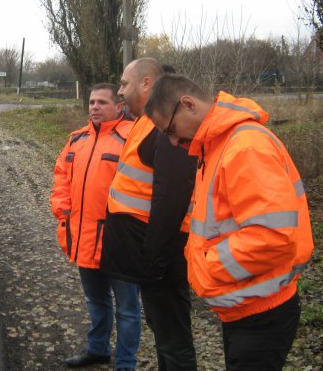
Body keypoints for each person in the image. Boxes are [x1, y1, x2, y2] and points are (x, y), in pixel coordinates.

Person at [144, 74, 314, 371]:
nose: (172, 141)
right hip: (245, 308)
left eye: (170, 130)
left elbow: (273, 235)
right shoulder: (215, 147)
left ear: (188, 104)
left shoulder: (244, 147)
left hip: (261, 313)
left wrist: (208, 267)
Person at [100, 58, 198, 370]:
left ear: (146, 84)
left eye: (124, 84)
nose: (119, 91)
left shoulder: (165, 125)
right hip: (153, 254)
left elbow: (173, 197)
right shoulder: (146, 122)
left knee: (173, 338)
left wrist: (154, 260)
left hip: (164, 256)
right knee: (164, 333)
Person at [51, 83, 141, 370]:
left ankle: (126, 363)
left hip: (120, 242)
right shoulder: (77, 139)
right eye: (91, 102)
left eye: (102, 102)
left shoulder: (133, 139)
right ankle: (98, 349)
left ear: (119, 107)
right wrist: (62, 209)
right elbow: (61, 177)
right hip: (83, 237)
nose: (94, 107)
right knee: (96, 301)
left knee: (127, 309)